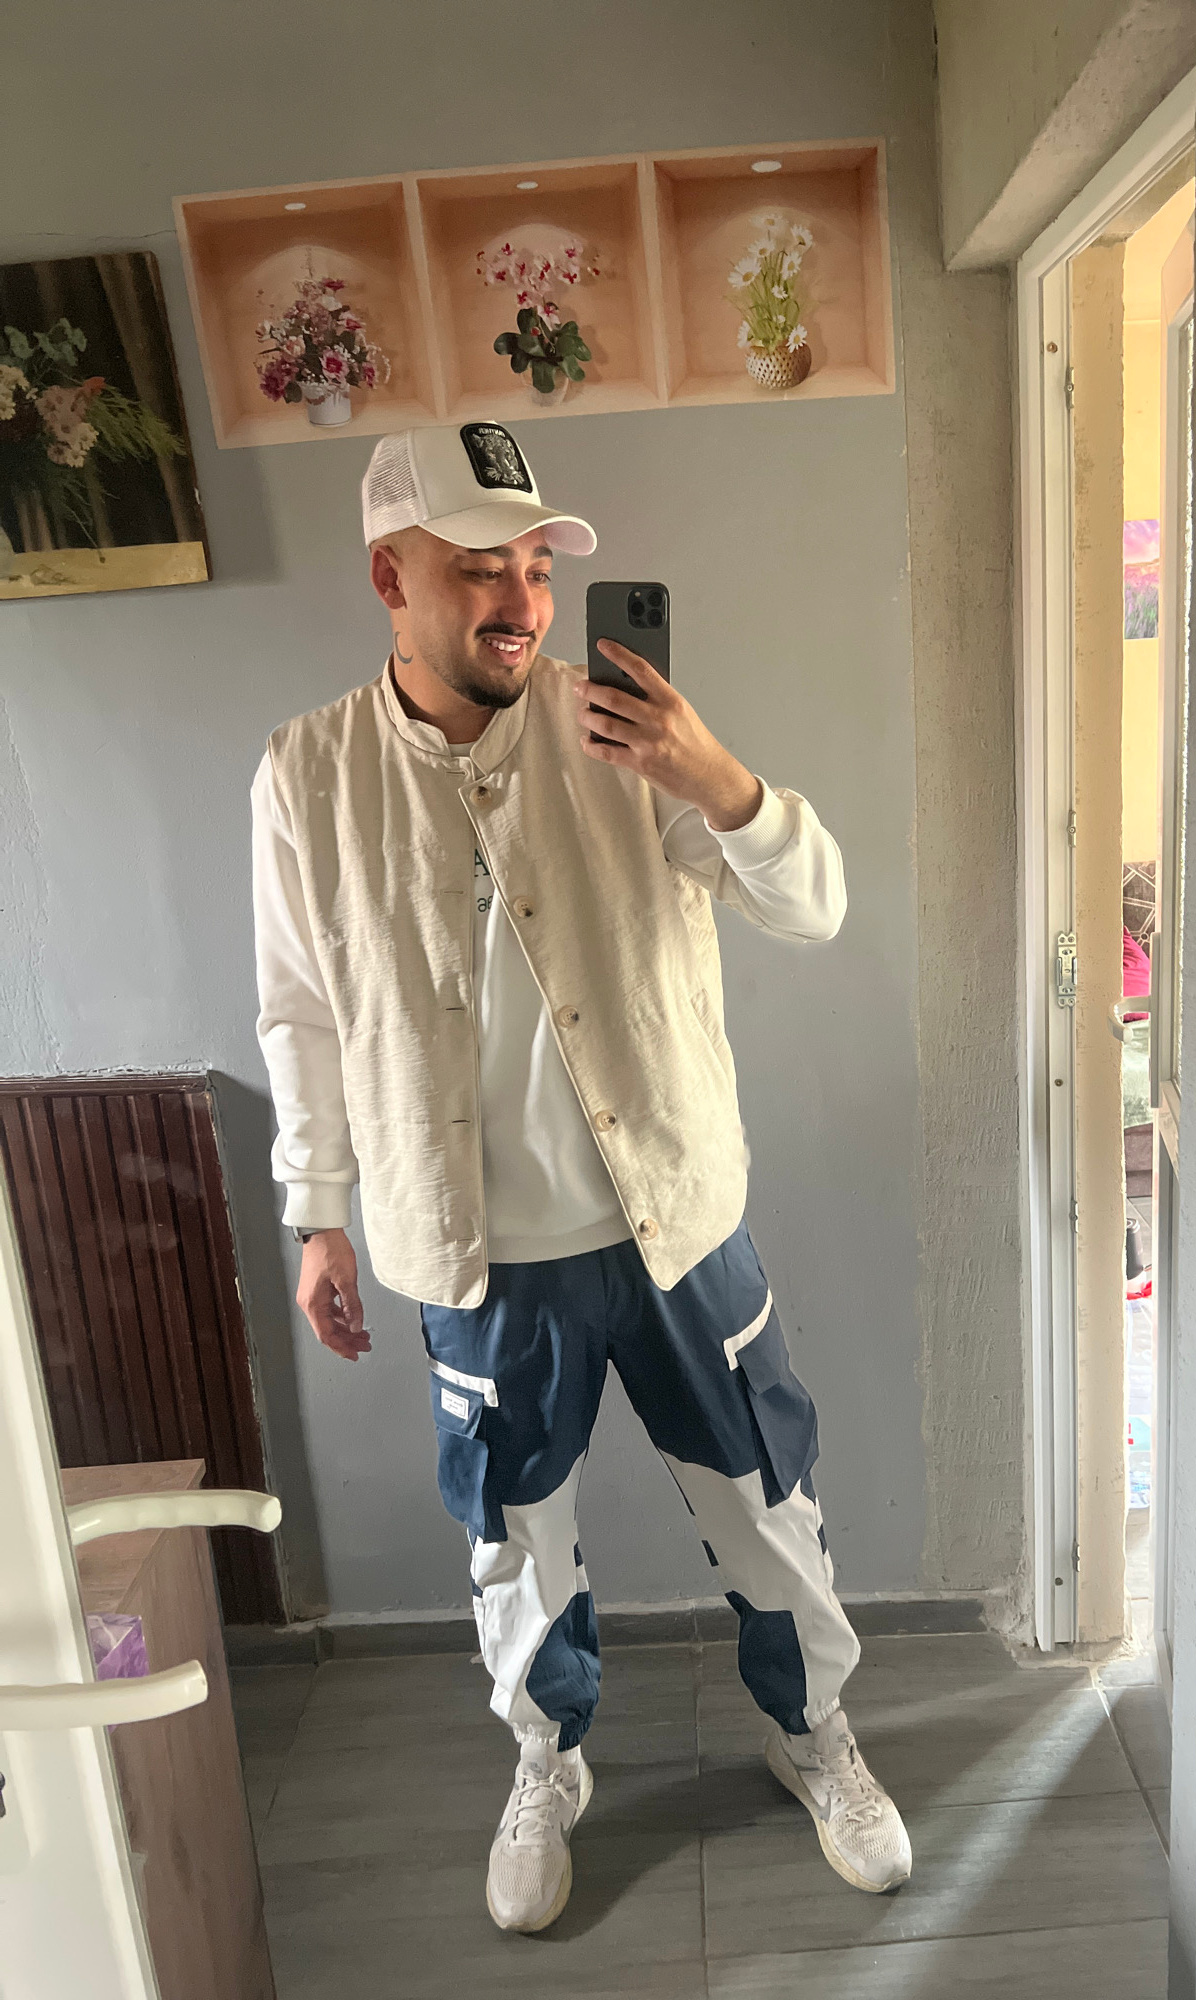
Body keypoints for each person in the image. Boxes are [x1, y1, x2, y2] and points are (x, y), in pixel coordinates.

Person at [250, 421, 912, 1934]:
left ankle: (816, 1733)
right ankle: (547, 1760)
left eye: (537, 568)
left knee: (769, 1505)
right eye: (479, 569)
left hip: (680, 1222)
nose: (522, 603)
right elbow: (300, 1010)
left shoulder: (625, 728)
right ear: (389, 578)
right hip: (479, 1253)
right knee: (512, 1539)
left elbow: (815, 906)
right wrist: (317, 1214)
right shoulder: (307, 774)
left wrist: (715, 776)